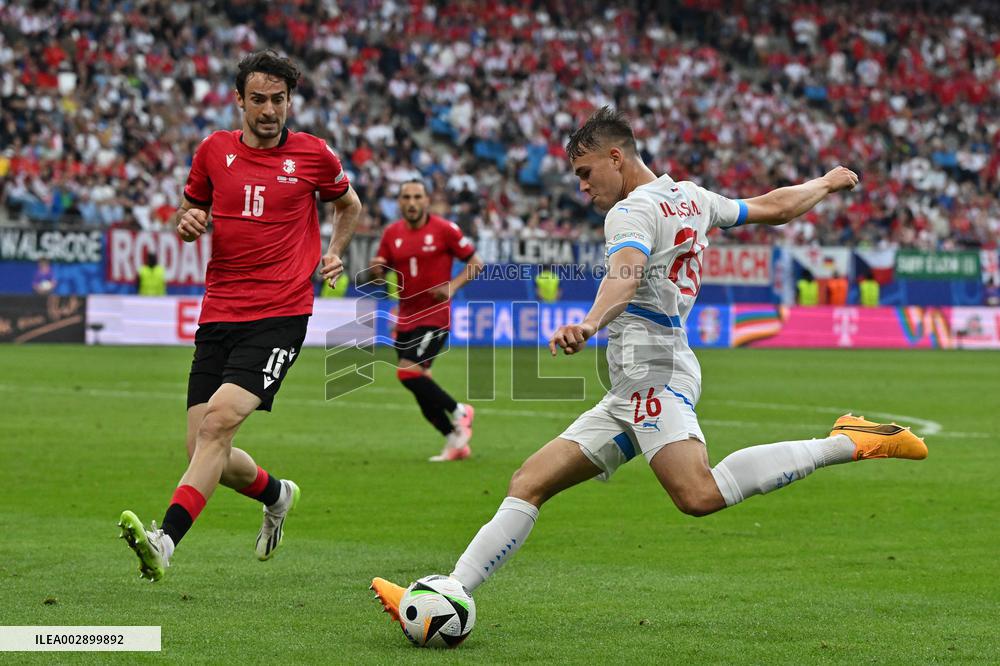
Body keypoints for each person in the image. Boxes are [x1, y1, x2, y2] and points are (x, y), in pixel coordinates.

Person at [371, 107, 927, 623]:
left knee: (699, 494)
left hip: (654, 375)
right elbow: (773, 208)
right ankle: (449, 591)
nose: (584, 189)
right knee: (530, 481)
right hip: (636, 383)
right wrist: (826, 184)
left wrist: (589, 323)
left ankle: (848, 441)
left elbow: (627, 274)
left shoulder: (630, 212)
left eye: (586, 174)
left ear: (617, 157)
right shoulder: (691, 197)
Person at [118, 50, 363, 582]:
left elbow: (350, 205)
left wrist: (335, 250)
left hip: (281, 312)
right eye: (259, 99)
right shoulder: (212, 151)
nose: (269, 109)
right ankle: (276, 494)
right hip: (220, 311)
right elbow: (192, 210)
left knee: (217, 426)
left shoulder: (314, 155)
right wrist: (188, 222)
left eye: (278, 99)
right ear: (240, 101)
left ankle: (165, 542)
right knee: (203, 447)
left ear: (289, 101)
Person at [370, 180, 484, 462]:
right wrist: (376, 271)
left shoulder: (444, 229)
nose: (411, 202)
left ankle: (460, 411)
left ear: (426, 201)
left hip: (434, 315)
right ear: (399, 202)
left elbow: (476, 263)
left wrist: (452, 287)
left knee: (407, 372)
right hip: (405, 316)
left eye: (417, 197)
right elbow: (380, 268)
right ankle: (454, 441)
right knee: (422, 385)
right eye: (406, 196)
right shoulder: (391, 233)